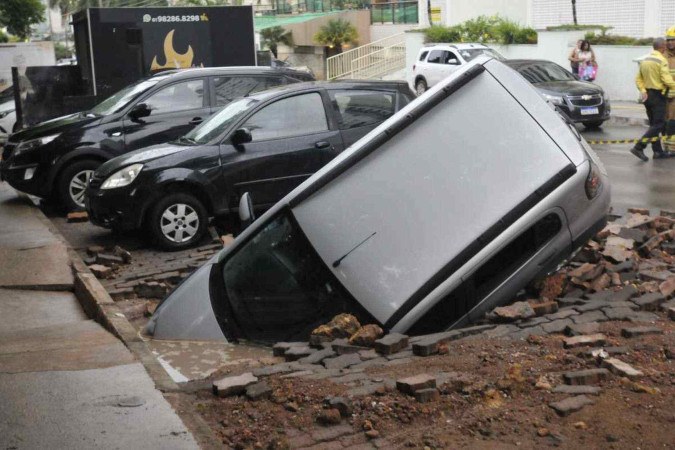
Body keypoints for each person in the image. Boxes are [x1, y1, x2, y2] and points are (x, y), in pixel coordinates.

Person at [631, 37, 675, 161]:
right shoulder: (662, 60)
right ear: (662, 47)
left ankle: (658, 152)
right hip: (658, 95)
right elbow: (666, 78)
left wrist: (643, 91)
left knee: (654, 124)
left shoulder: (645, 60)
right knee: (659, 124)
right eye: (666, 45)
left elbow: (638, 79)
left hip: (647, 97)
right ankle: (639, 146)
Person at [665, 26, 675, 153]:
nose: (670, 42)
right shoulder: (663, 56)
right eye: (669, 40)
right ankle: (670, 147)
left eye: (673, 40)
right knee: (670, 121)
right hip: (668, 96)